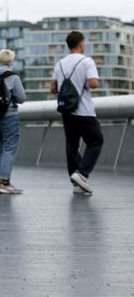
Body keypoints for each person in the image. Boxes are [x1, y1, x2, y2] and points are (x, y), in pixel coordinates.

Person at [50, 31, 103, 194]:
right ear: (80, 44)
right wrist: (86, 82)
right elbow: (93, 83)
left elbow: (53, 89)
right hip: (85, 112)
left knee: (72, 145)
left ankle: (76, 183)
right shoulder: (87, 61)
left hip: (67, 111)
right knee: (96, 141)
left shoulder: (59, 64)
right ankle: (82, 174)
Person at [0, 49, 27, 194]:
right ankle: (5, 183)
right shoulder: (13, 76)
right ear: (11, 61)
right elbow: (21, 98)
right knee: (9, 148)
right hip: (9, 117)